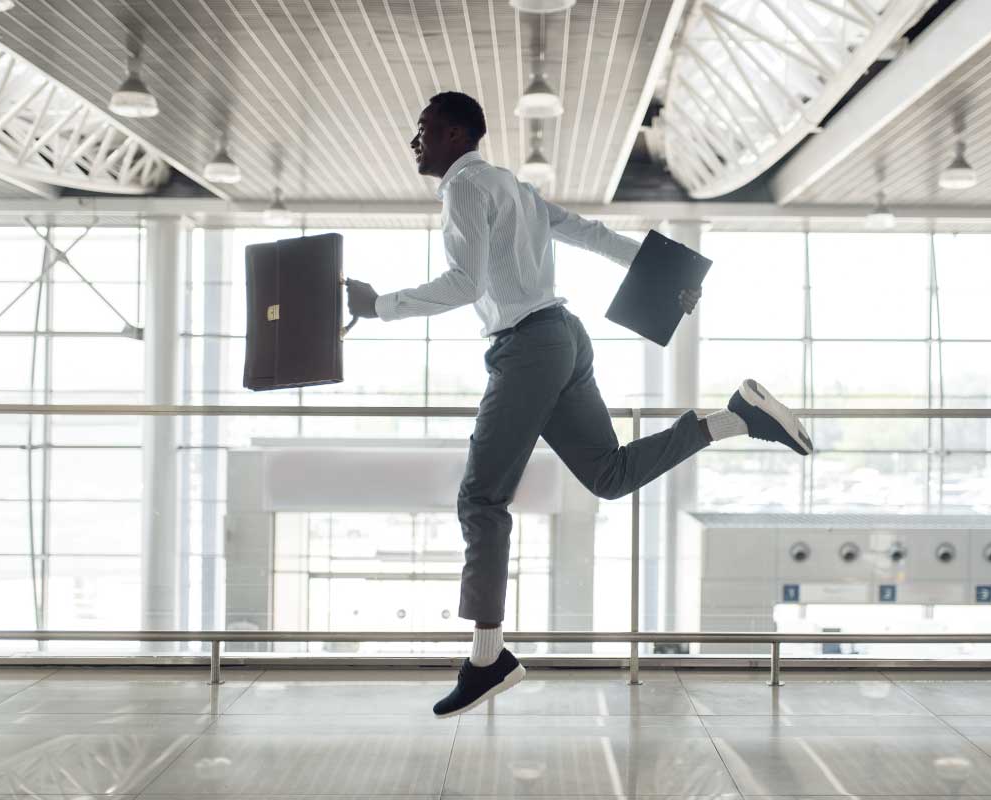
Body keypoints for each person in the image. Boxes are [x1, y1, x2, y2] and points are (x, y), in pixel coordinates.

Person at [344, 91, 814, 718]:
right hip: (564, 336)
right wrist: (669, 279)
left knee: (481, 498)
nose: (415, 141)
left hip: (527, 349)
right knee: (609, 475)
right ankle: (730, 418)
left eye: (423, 129)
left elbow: (464, 284)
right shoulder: (512, 186)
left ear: (458, 135)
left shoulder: (465, 189)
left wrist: (377, 306)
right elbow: (588, 235)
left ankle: (487, 660)